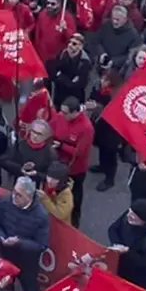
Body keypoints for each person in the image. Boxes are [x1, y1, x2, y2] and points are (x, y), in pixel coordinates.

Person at [0, 177, 50, 291]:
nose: (14, 196)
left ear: (29, 197)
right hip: (5, 254)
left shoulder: (41, 216)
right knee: (3, 290)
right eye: (14, 191)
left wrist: (20, 242)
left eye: (19, 195)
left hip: (26, 262)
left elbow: (42, 245)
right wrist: (1, 237)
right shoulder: (6, 201)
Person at [50, 97, 93, 227]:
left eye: (65, 113)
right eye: (61, 111)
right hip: (58, 162)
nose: (62, 115)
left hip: (75, 169)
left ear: (75, 112)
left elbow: (81, 152)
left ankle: (74, 223)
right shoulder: (60, 117)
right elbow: (50, 127)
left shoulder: (86, 128)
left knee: (74, 196)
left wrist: (62, 146)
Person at [107, 198, 146, 290]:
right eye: (129, 212)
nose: (128, 216)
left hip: (138, 279)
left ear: (143, 222)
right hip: (119, 267)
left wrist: (127, 251)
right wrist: (117, 245)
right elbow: (113, 229)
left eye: (132, 218)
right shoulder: (130, 214)